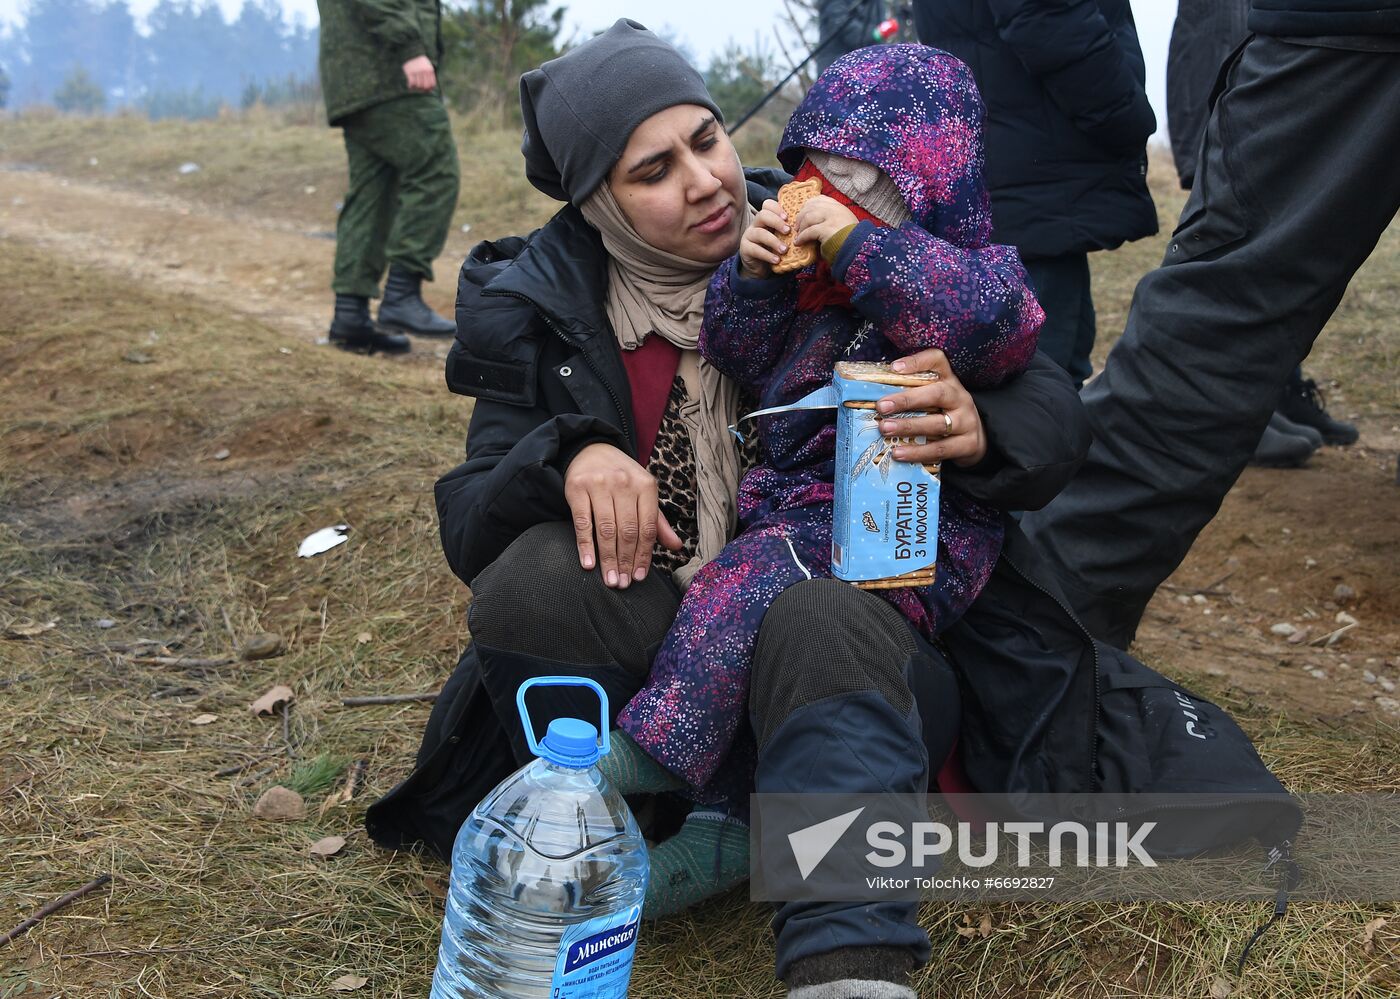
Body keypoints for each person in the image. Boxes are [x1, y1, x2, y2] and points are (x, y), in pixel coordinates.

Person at [367, 22, 1298, 999]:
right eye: (652, 170)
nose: (705, 182)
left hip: (858, 639)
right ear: (599, 199)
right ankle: (617, 823)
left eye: (707, 139)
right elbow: (470, 515)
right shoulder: (548, 300)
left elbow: (1040, 391)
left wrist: (979, 424)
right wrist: (570, 453)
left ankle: (844, 957)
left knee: (806, 610)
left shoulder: (837, 224)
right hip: (674, 625)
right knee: (532, 581)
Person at [604, 45, 1042, 895]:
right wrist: (756, 279)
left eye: (854, 178)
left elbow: (984, 327)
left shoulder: (979, 275)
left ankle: (655, 744)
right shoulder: (811, 294)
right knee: (755, 624)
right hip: (797, 512)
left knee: (749, 581)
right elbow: (736, 354)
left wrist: (859, 248)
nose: (818, 192)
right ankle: (725, 824)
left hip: (905, 537)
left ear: (919, 186)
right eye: (811, 166)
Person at [1021, 0, 1400, 650]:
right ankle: (1025, 634)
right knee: (1210, 328)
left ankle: (1029, 624)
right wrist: (1125, 116)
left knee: (1212, 323)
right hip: (1344, 34)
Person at [913, 0, 1157, 390]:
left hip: (1011, 169)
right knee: (1041, 380)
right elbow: (1051, 19)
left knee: (1040, 367)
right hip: (1037, 169)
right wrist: (1129, 116)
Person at [1167, 0, 1359, 469]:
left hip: (1272, 117)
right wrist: (1202, 145)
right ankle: (1230, 414)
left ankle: (1273, 397)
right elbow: (1204, 45)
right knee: (1230, 267)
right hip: (1241, 126)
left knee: (1279, 262)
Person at [316, 0, 461, 354]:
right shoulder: (398, 56)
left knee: (373, 193)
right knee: (436, 171)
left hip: (357, 77)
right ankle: (401, 293)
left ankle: (350, 315)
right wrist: (410, 49)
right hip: (387, 72)